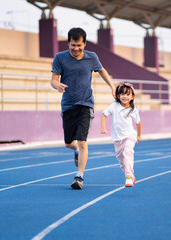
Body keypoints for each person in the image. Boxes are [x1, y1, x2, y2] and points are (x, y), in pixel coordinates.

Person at [51, 27, 115, 190]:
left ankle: (79, 176)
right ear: (68, 43)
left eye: (79, 45)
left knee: (83, 142)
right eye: (73, 45)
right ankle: (76, 151)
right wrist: (57, 85)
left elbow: (102, 71)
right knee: (68, 143)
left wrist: (112, 87)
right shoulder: (60, 58)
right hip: (68, 105)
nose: (76, 48)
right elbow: (53, 79)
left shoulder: (91, 57)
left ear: (84, 44)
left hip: (86, 104)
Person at [101, 82, 142, 187]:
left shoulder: (133, 109)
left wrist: (138, 135)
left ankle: (128, 177)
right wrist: (103, 128)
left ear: (132, 97)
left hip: (129, 135)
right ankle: (130, 174)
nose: (125, 96)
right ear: (118, 95)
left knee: (128, 152)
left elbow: (138, 123)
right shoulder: (114, 106)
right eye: (122, 94)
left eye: (127, 94)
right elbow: (104, 114)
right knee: (121, 160)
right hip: (117, 138)